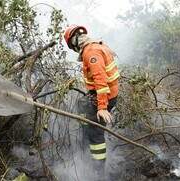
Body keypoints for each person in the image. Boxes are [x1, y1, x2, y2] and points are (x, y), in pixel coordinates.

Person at [64, 25, 119, 179]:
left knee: (96, 134)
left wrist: (102, 107)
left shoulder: (91, 52)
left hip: (104, 97)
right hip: (107, 94)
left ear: (74, 43)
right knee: (81, 105)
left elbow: (101, 80)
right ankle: (86, 136)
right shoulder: (97, 46)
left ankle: (98, 171)